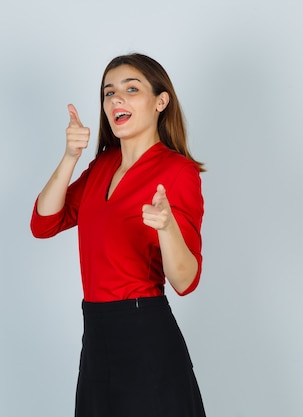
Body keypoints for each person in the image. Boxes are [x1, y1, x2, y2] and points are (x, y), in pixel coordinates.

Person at [30, 53, 206, 417]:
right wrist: (70, 157)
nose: (116, 100)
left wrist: (168, 227)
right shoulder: (103, 166)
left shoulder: (178, 172)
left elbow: (185, 280)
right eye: (109, 93)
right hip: (96, 336)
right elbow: (43, 224)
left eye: (131, 89)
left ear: (161, 101)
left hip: (146, 335)